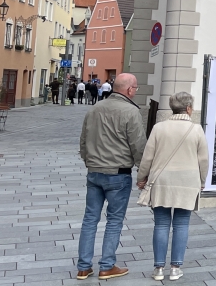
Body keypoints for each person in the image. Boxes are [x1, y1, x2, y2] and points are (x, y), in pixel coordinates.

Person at [76, 73, 145, 280]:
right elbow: (138, 146)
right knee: (114, 220)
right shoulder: (131, 112)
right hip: (118, 174)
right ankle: (107, 266)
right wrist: (144, 171)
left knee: (90, 219)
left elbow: (83, 141)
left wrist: (89, 161)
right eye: (136, 89)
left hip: (94, 172)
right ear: (130, 90)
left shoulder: (94, 109)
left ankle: (83, 267)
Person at [137, 92, 208, 282]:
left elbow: (147, 157)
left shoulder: (159, 128)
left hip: (162, 181)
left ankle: (158, 268)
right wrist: (202, 181)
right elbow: (203, 160)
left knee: (161, 224)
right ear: (189, 108)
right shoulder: (197, 129)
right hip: (188, 181)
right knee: (181, 224)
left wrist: (141, 178)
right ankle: (175, 268)